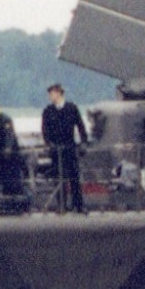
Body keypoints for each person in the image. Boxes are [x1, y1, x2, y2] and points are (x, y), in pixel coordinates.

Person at [42, 83, 89, 213]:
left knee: (74, 177)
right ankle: (61, 205)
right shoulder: (48, 111)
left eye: (52, 93)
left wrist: (83, 142)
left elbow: (80, 126)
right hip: (56, 149)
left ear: (58, 93)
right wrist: (49, 144)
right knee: (59, 178)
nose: (50, 96)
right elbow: (45, 131)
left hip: (70, 147)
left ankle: (78, 205)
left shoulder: (71, 108)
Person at [0, 100, 23, 196]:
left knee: (13, 172)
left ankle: (16, 194)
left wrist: (8, 148)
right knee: (4, 172)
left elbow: (9, 134)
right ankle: (7, 193)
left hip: (10, 152)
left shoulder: (5, 119)